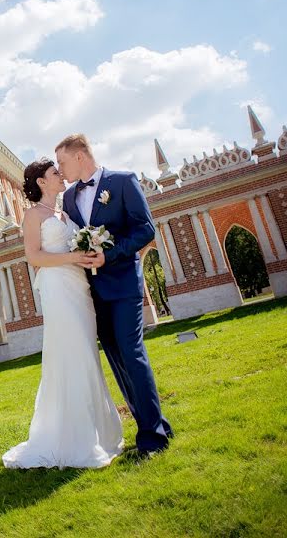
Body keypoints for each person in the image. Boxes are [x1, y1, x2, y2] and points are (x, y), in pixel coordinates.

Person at [55, 133, 173, 457]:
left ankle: (153, 439)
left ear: (80, 156)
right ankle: (153, 423)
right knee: (117, 360)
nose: (59, 168)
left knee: (132, 354)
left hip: (123, 285)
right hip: (92, 293)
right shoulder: (67, 198)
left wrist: (112, 253)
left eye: (62, 162)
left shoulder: (122, 182)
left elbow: (145, 229)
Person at [2, 158, 124, 469]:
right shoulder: (33, 215)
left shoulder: (65, 214)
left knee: (87, 352)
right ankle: (75, 440)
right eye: (55, 173)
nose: (61, 176)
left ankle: (99, 433)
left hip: (79, 287)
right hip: (57, 288)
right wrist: (73, 256)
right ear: (41, 182)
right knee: (73, 353)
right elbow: (33, 256)